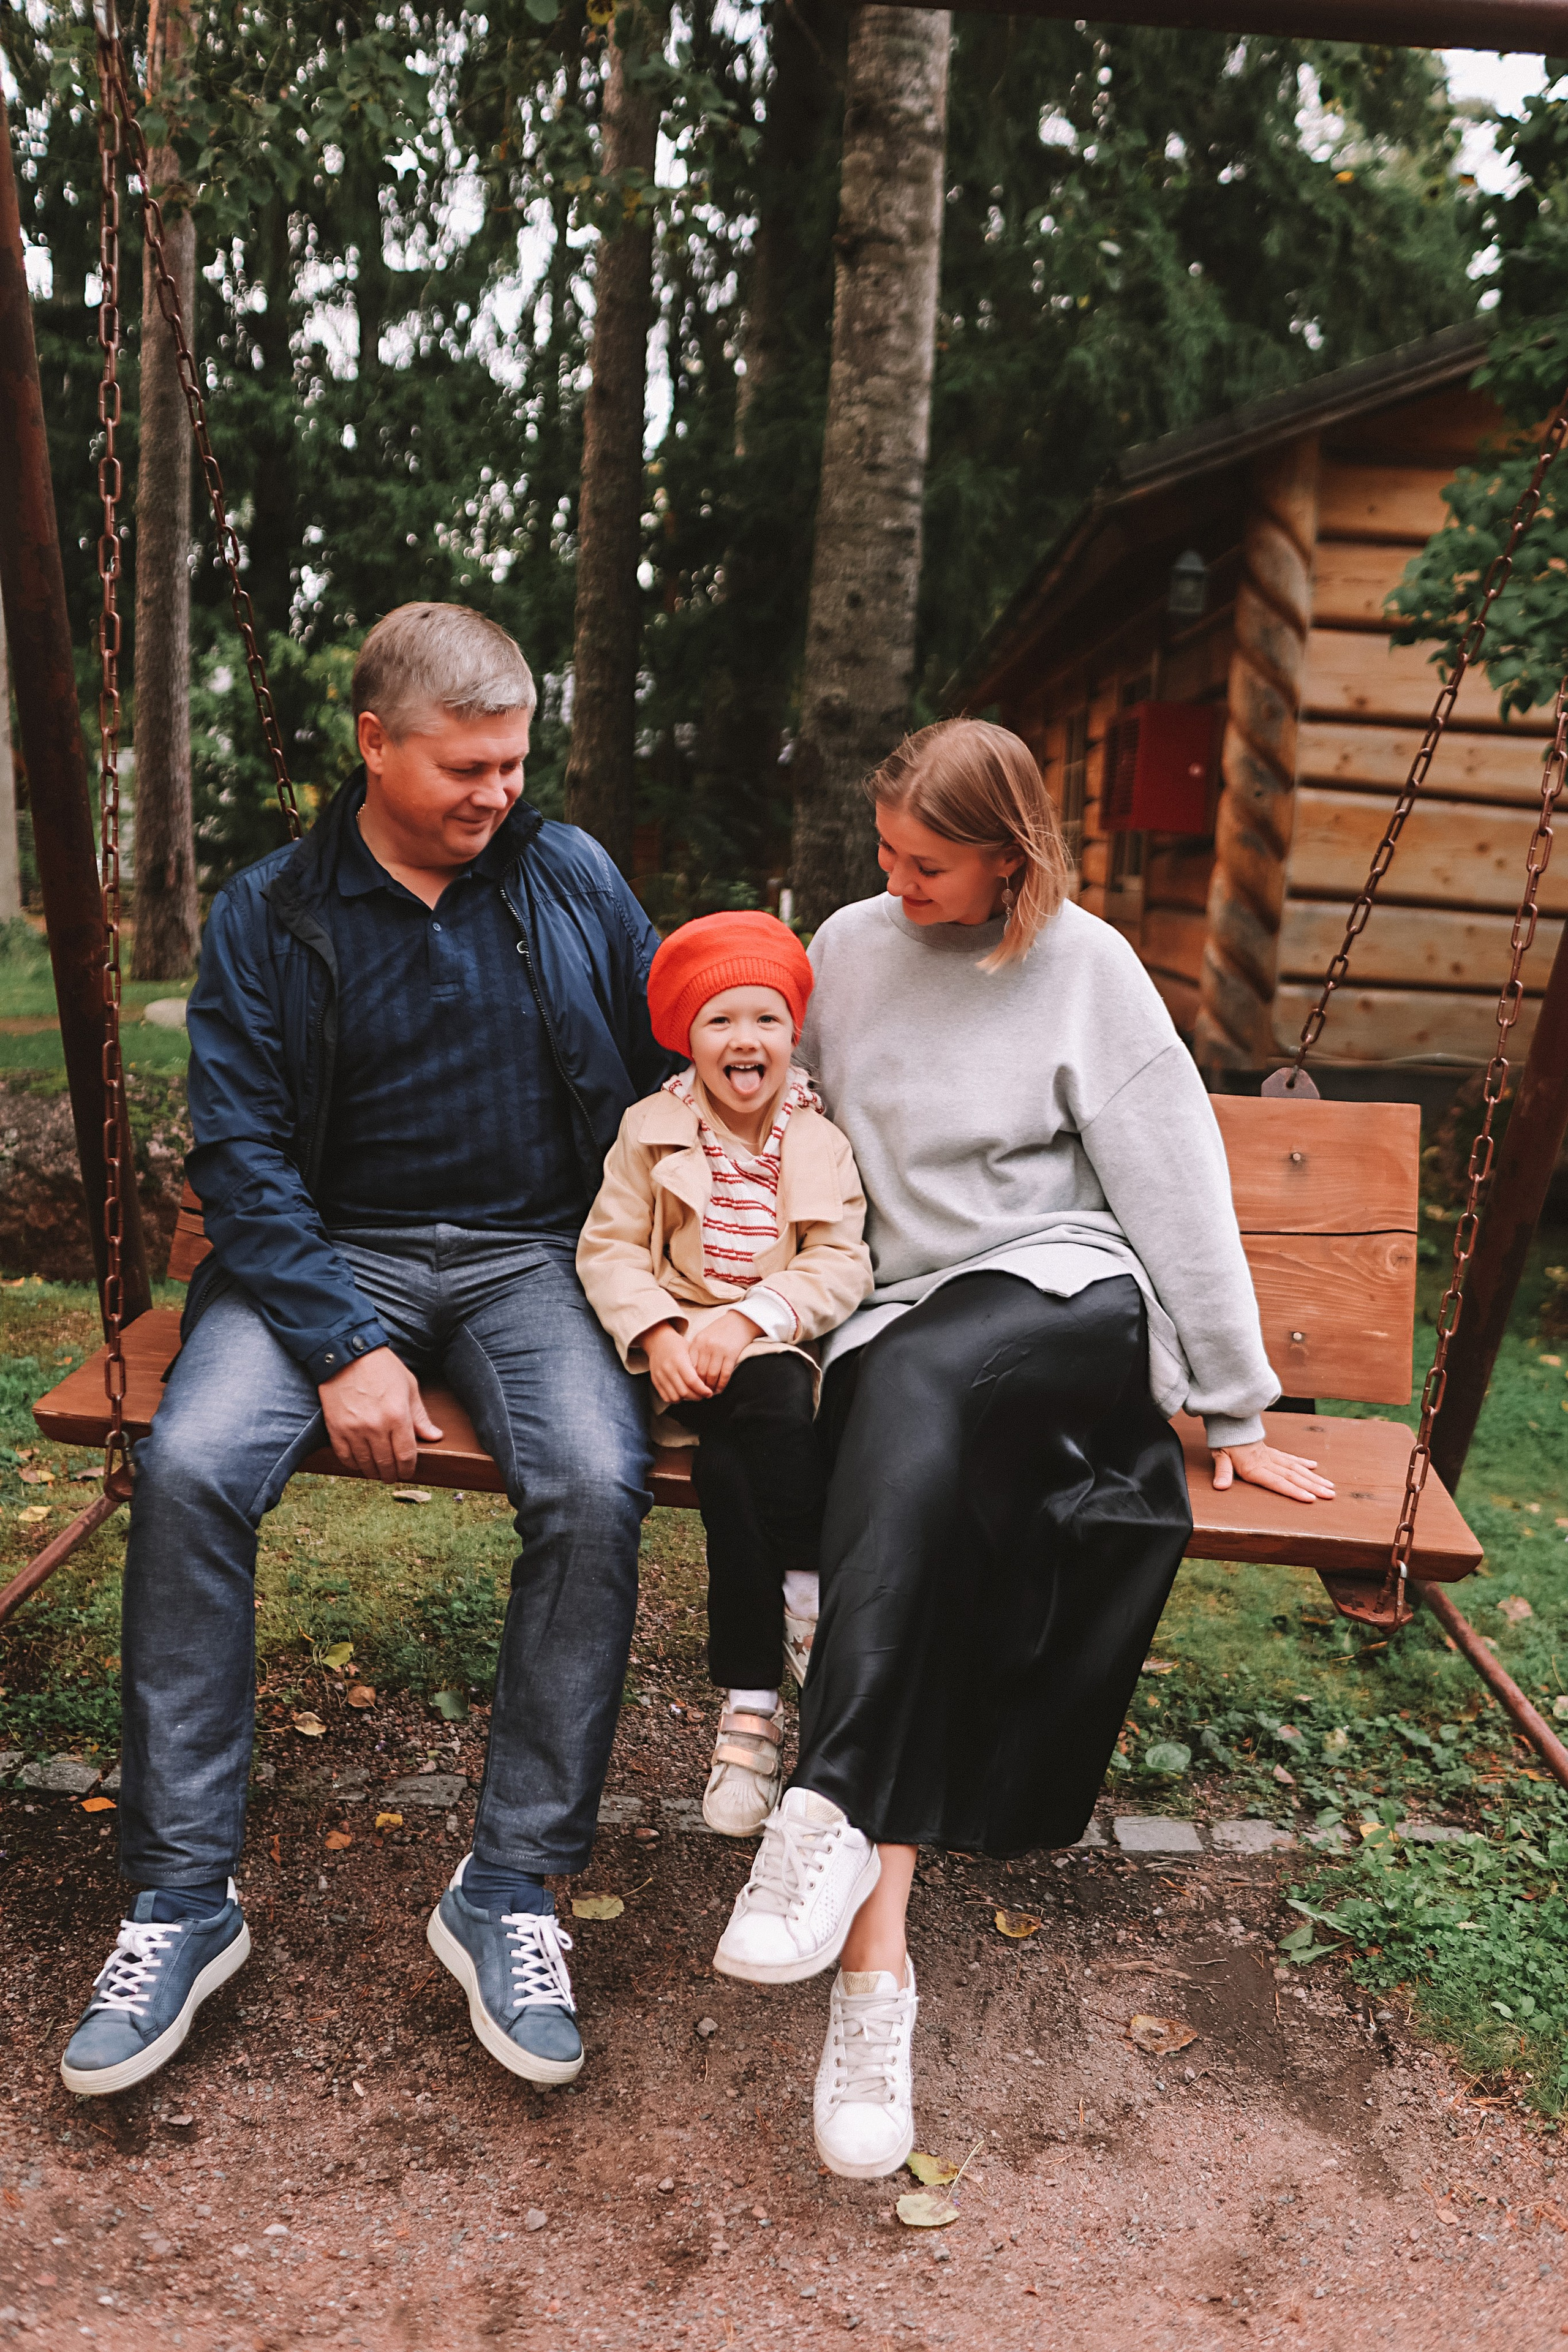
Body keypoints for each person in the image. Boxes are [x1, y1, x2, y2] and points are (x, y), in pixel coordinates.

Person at [61, 603, 674, 2099]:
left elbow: (670, 1054)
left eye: (515, 764)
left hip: (537, 1256)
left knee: (597, 1486)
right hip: (325, 1252)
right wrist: (341, 1342)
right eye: (465, 767)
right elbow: (245, 1155)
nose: (496, 794)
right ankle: (182, 1901)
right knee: (197, 1465)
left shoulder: (568, 872)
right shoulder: (274, 911)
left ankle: (510, 1891)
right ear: (374, 745)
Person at [707, 718, 1334, 2177]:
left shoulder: (1087, 971)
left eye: (926, 863)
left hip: (1056, 1297)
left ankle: (824, 1805)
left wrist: (1228, 1407)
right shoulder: (849, 950)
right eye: (885, 854)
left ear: (1014, 856)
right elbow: (758, 1119)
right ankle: (875, 1979)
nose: (893, 881)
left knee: (926, 1400)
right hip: (886, 1320)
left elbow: (1171, 1182)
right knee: (904, 1486)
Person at [577, 911, 873, 1834]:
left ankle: (749, 1709)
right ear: (689, 1040)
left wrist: (753, 1316)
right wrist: (661, 1334)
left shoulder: (819, 1141)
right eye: (721, 1021)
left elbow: (840, 1261)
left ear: (793, 1034)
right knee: (754, 1424)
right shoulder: (651, 1130)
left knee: (740, 1460)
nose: (746, 1040)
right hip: (682, 1367)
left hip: (772, 1352)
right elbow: (611, 1246)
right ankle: (810, 1595)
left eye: (767, 1020)